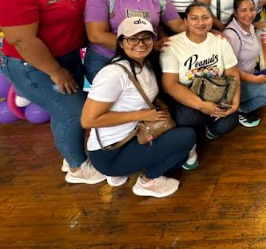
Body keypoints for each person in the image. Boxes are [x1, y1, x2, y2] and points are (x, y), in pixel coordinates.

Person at [0, 0, 105, 184]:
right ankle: (77, 167)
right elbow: (22, 40)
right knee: (73, 112)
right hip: (34, 65)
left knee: (64, 110)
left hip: (69, 55)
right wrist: (55, 71)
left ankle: (70, 154)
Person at [81, 17, 197, 198]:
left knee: (180, 155)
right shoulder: (113, 74)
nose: (140, 44)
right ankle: (147, 181)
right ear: (121, 42)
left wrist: (162, 106)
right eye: (133, 39)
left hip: (134, 136)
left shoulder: (143, 65)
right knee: (186, 138)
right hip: (110, 153)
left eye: (146, 38)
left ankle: (131, 168)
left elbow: (146, 91)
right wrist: (141, 115)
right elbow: (88, 120)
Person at [84, 0, 185, 82]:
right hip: (107, 59)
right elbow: (96, 36)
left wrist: (205, 28)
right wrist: (147, 45)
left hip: (144, 60)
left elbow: (177, 24)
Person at [161, 2, 241, 151]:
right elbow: (170, 84)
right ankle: (192, 140)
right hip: (188, 96)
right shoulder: (172, 45)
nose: (201, 23)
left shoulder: (220, 41)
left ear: (211, 19)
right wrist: (201, 105)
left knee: (227, 124)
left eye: (205, 17)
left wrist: (235, 103)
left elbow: (232, 74)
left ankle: (210, 128)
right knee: (187, 119)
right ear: (185, 21)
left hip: (216, 93)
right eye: (194, 18)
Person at [223, 0, 266, 127]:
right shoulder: (231, 36)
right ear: (235, 13)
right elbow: (229, 70)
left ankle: (242, 103)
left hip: (249, 74)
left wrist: (255, 25)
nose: (249, 14)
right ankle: (238, 110)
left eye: (252, 9)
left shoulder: (249, 26)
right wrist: (254, 79)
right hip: (235, 82)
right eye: (243, 10)